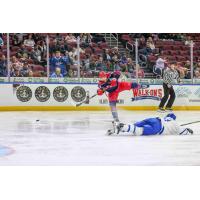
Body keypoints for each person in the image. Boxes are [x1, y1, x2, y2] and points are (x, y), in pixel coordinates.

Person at [108, 113, 193, 136]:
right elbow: (185, 131)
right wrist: (189, 130)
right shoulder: (177, 126)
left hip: (154, 119)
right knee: (139, 131)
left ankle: (121, 126)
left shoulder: (167, 118)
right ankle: (123, 127)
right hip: (158, 128)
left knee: (136, 125)